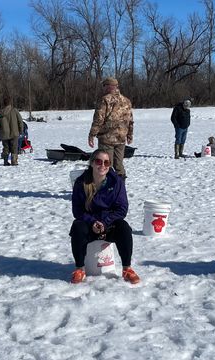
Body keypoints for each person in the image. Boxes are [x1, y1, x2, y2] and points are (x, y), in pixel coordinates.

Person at [69, 149, 140, 284]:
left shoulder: (116, 182)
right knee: (77, 227)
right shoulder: (81, 182)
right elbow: (77, 210)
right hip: (89, 223)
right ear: (91, 163)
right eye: (98, 161)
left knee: (124, 228)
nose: (102, 165)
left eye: (106, 162)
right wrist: (92, 222)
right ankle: (79, 268)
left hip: (109, 223)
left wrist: (105, 222)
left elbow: (122, 208)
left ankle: (127, 268)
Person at [88, 77, 134, 179]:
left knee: (105, 165)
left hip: (106, 138)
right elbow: (130, 120)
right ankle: (120, 189)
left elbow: (99, 119)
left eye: (104, 86)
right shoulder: (126, 101)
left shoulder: (105, 100)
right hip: (121, 138)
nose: (103, 89)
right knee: (119, 165)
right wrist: (130, 135)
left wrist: (92, 135)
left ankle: (108, 189)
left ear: (109, 87)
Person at [0, 97, 24, 166]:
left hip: (4, 134)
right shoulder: (14, 110)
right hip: (14, 133)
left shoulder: (0, 113)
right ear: (10, 103)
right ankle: (14, 161)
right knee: (14, 148)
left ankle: (5, 161)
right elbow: (20, 121)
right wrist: (21, 130)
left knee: (6, 148)